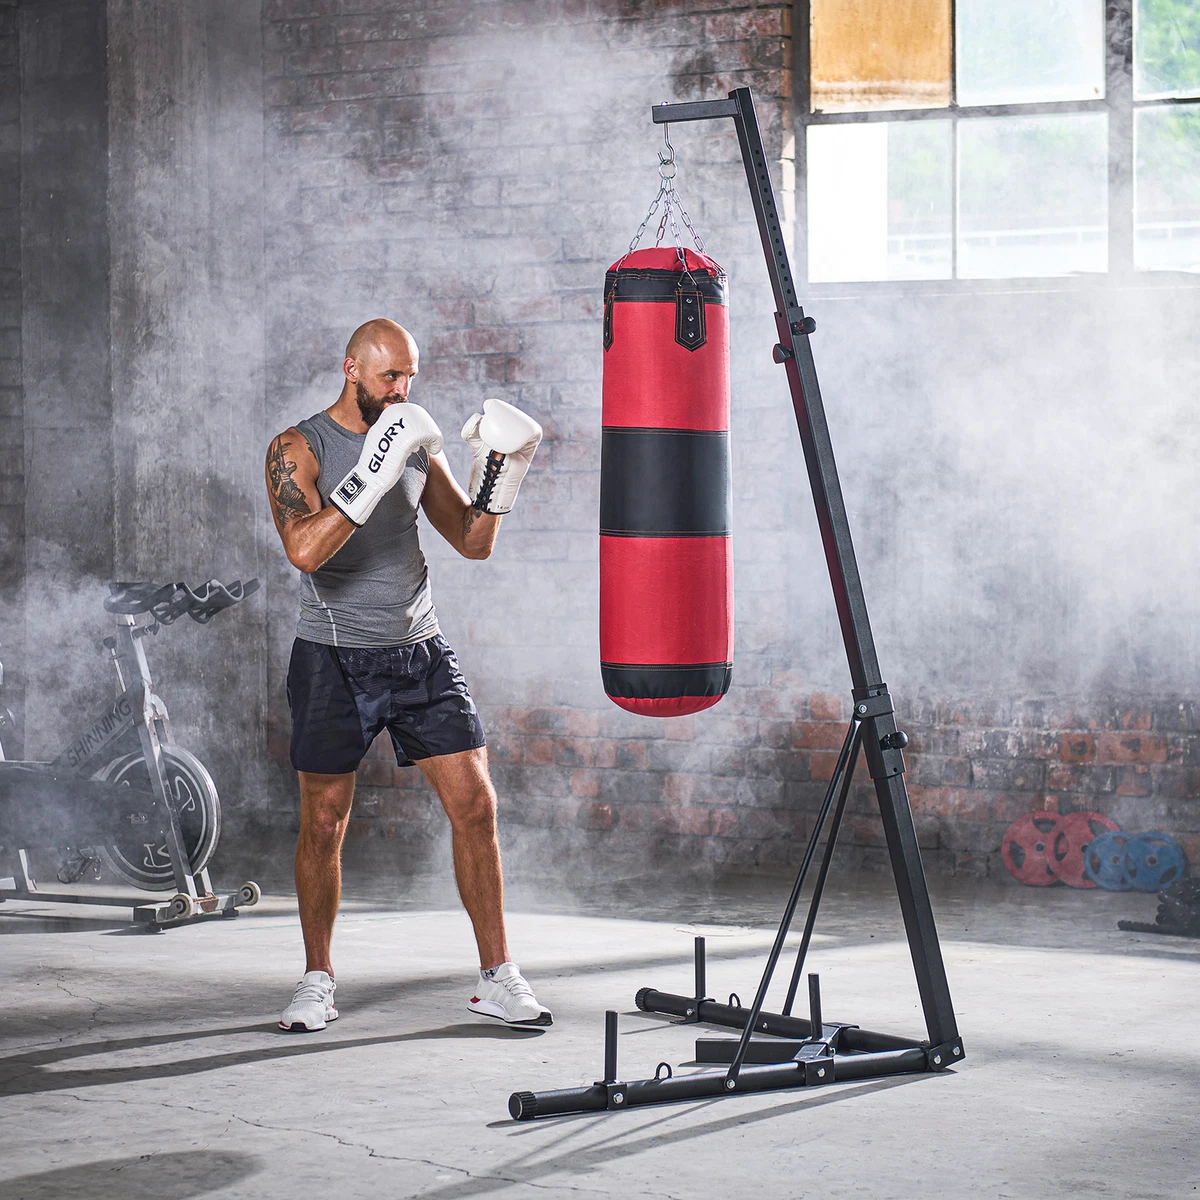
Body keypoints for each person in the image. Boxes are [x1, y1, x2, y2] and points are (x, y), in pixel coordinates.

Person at [264, 317, 550, 1031]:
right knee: (325, 823)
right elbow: (303, 550)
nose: (403, 390)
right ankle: (317, 979)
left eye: (411, 377)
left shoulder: (414, 439)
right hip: (332, 658)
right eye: (390, 376)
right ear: (351, 369)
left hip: (418, 651)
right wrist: (372, 471)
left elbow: (471, 542)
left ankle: (496, 976)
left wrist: (504, 472)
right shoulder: (297, 447)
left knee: (477, 807)